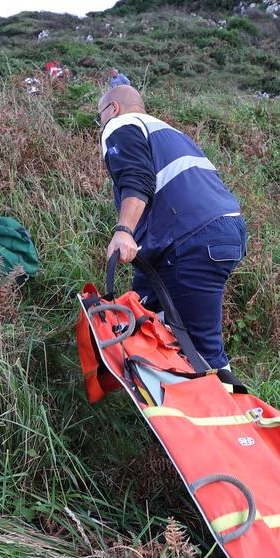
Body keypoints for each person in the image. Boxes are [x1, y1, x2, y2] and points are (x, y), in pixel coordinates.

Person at [98, 85, 246, 383]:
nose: (99, 126)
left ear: (113, 108)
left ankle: (232, 419)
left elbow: (137, 179)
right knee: (145, 310)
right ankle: (162, 391)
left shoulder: (120, 124)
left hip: (192, 239)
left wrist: (124, 230)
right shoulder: (170, 133)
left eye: (97, 118)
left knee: (202, 351)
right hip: (225, 232)